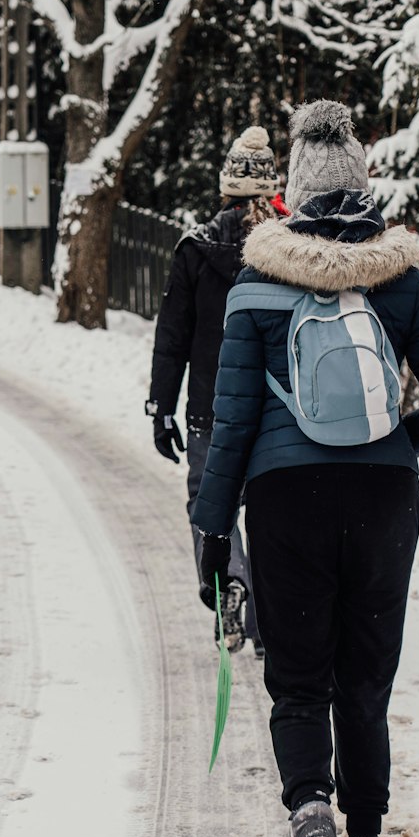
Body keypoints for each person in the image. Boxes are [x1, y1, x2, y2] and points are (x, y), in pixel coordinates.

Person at [191, 99, 419, 837]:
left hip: (285, 500)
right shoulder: (399, 278)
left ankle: (310, 813)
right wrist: (396, 444)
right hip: (385, 497)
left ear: (293, 193)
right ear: (361, 183)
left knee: (300, 679)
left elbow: (233, 422)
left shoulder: (256, 282)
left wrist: (215, 532)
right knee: (365, 679)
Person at [147, 126, 286, 653]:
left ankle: (229, 580)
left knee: (212, 505)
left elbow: (172, 337)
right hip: (276, 409)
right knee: (273, 509)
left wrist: (162, 408)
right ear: (272, 190)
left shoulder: (194, 248)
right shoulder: (288, 247)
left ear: (226, 189)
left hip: (211, 409)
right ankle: (272, 621)